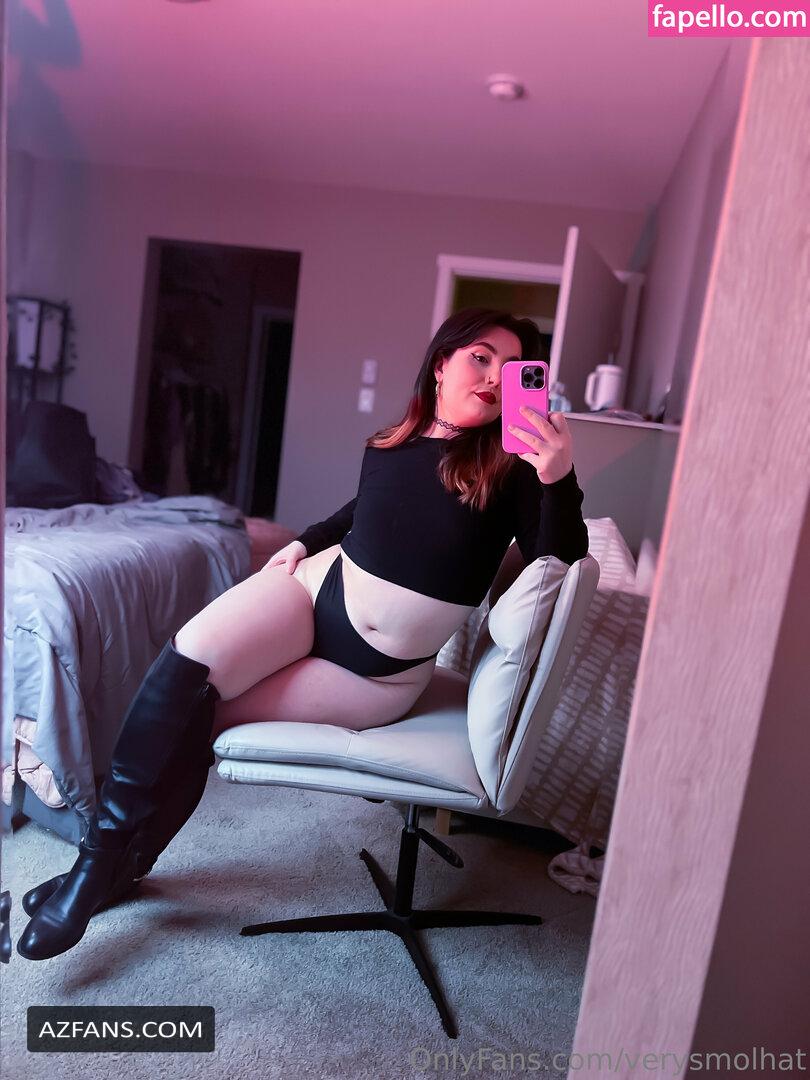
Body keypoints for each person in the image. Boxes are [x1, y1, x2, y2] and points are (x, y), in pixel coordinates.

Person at [17, 307, 589, 961]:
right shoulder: (391, 443)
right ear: (441, 364)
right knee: (182, 669)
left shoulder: (513, 470)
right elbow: (362, 510)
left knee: (202, 717)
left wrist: (558, 476)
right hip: (316, 591)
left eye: (511, 368)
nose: (492, 377)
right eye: (481, 357)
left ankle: (124, 867)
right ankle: (99, 866)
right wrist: (304, 542)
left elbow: (561, 562)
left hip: (374, 674)